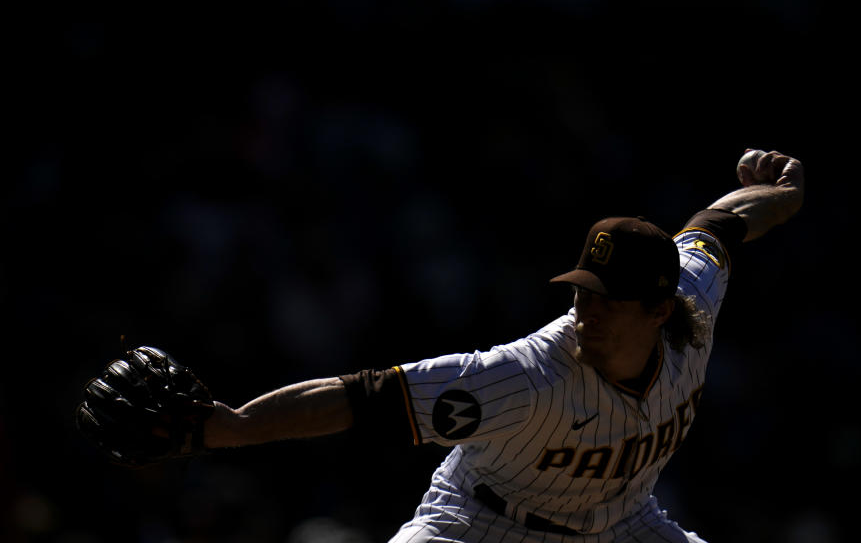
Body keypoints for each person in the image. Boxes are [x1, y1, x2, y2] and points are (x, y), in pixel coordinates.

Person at [202, 149, 805, 542]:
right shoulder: (527, 374)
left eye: (606, 298)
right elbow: (364, 396)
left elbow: (720, 222)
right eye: (582, 290)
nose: (584, 309)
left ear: (659, 310)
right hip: (481, 522)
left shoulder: (693, 294)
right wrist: (231, 426)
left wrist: (786, 196)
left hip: (625, 525)